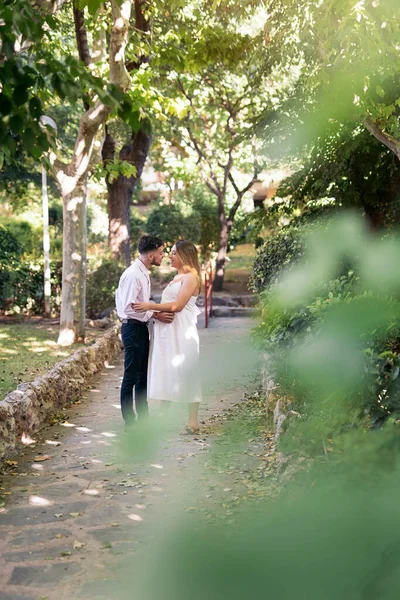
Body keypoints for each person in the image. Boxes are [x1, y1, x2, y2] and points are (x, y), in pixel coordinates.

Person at [133, 240, 202, 434]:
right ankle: (163, 417)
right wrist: (156, 313)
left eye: (173, 253)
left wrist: (149, 306)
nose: (170, 256)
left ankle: (193, 422)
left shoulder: (191, 278)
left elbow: (177, 306)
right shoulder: (178, 277)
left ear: (185, 256)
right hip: (167, 333)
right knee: (167, 371)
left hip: (182, 331)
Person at [115, 235, 175, 429]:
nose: (163, 255)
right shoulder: (133, 275)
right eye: (160, 252)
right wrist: (156, 314)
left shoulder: (143, 273)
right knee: (131, 375)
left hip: (140, 327)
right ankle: (129, 422)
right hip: (132, 328)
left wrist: (152, 314)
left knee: (142, 375)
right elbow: (129, 307)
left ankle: (144, 417)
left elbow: (140, 306)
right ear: (150, 255)